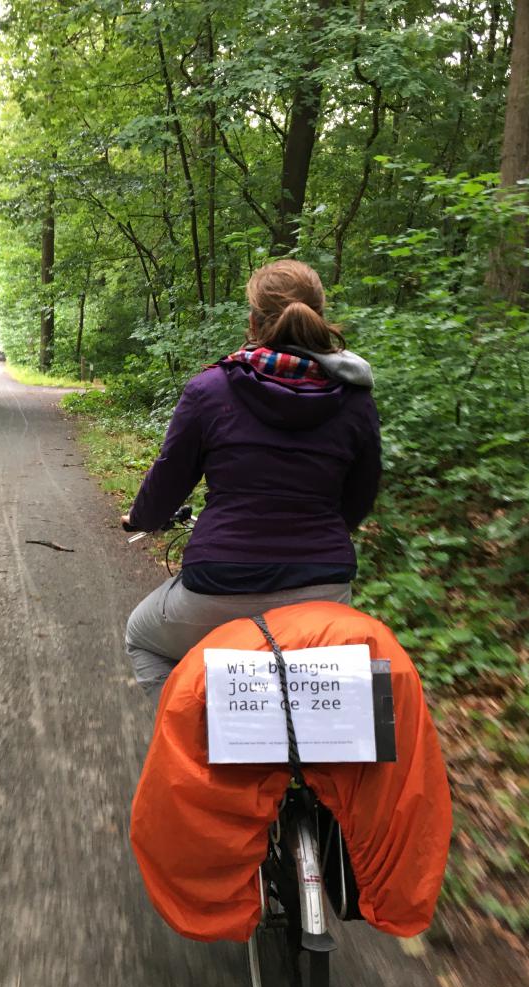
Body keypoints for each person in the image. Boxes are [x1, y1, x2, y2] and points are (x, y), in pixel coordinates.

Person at [123, 259, 381, 703]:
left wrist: (141, 517)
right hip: (325, 589)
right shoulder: (355, 400)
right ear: (319, 315)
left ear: (254, 321)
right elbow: (359, 498)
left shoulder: (210, 390)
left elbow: (169, 481)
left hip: (220, 582)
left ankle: (196, 739)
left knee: (142, 637)